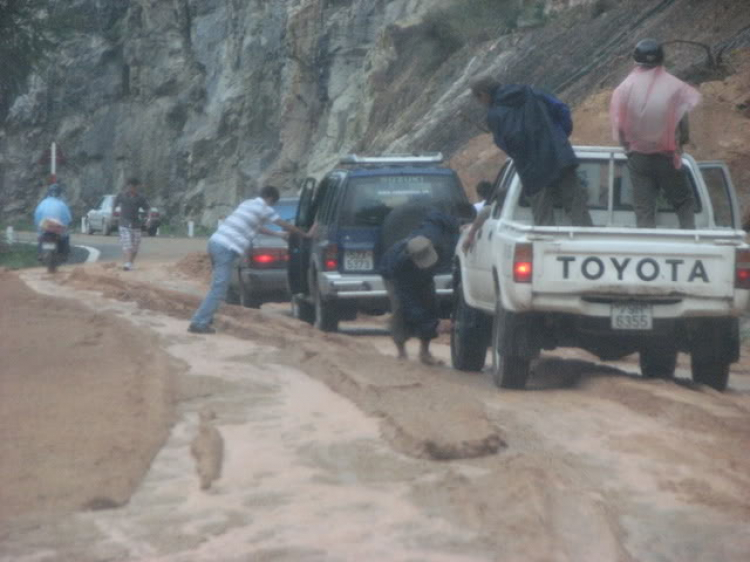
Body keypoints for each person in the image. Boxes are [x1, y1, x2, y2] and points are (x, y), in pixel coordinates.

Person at [469, 75, 593, 228]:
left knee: (544, 221)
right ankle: (587, 247)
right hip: (559, 157)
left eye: (478, 99)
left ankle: (548, 250)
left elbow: (507, 145)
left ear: (483, 94)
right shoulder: (530, 91)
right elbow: (561, 110)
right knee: (578, 211)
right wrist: (559, 138)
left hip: (532, 171)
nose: (481, 103)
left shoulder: (494, 116)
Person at [188, 185, 310, 334]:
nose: (272, 207)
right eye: (273, 204)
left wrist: (278, 235)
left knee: (218, 287)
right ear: (270, 199)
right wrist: (305, 235)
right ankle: (199, 322)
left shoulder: (247, 204)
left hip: (215, 243)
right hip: (225, 248)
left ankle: (206, 317)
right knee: (219, 288)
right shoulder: (265, 209)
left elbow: (257, 228)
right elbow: (283, 224)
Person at [610, 39, 701, 229]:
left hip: (639, 158)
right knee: (683, 202)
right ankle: (690, 242)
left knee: (644, 209)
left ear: (636, 61)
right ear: (661, 60)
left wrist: (627, 147)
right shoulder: (673, 87)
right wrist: (680, 144)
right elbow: (682, 123)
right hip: (667, 156)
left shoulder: (625, 88)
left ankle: (648, 250)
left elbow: (619, 125)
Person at [379, 209, 460, 365]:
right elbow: (410, 303)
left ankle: (425, 352)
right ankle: (401, 353)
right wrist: (434, 325)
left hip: (424, 276)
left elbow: (436, 216)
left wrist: (458, 226)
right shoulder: (400, 266)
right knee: (400, 309)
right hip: (393, 276)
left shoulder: (434, 237)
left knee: (430, 303)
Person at [113, 177, 150, 271]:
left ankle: (130, 263)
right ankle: (127, 264)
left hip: (136, 224)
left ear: (136, 187)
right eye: (130, 186)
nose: (131, 189)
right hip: (124, 223)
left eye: (134, 187)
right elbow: (114, 204)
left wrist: (148, 219)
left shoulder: (140, 197)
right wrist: (112, 215)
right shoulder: (121, 195)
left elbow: (147, 208)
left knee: (135, 246)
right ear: (127, 186)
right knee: (127, 244)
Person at [33, 183, 72, 259]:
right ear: (59, 193)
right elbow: (68, 218)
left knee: (40, 236)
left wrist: (38, 226)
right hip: (57, 227)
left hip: (45, 226)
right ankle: (64, 254)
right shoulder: (62, 204)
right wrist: (66, 224)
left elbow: (37, 216)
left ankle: (40, 253)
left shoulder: (43, 203)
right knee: (65, 236)